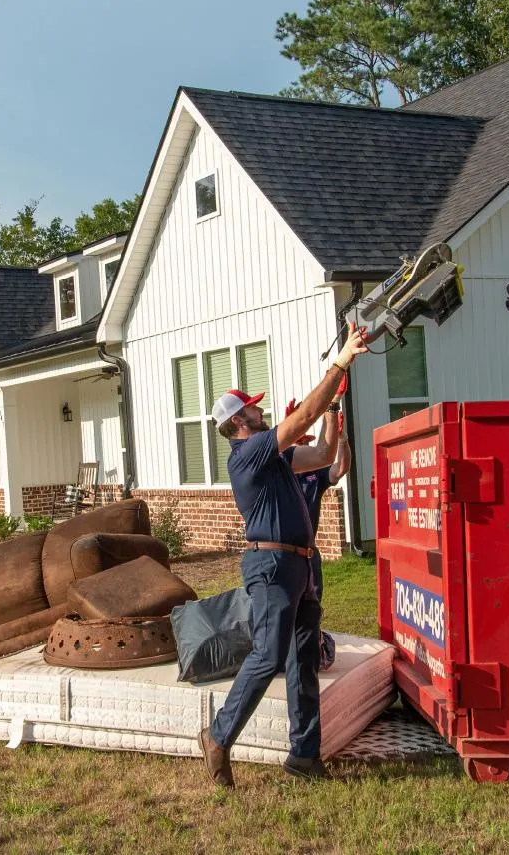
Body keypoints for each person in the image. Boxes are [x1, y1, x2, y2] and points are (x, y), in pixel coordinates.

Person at [197, 322, 367, 789]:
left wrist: (334, 405)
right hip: (270, 565)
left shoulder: (273, 457)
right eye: (252, 408)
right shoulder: (246, 454)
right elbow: (300, 421)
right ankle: (218, 735)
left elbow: (325, 451)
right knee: (269, 653)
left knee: (303, 657)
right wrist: (340, 362)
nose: (260, 410)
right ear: (237, 423)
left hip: (299, 564)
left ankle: (304, 755)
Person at [285, 373, 351, 603]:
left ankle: (314, 637)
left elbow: (339, 470)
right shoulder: (278, 471)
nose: (303, 447)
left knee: (312, 606)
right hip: (282, 552)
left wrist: (341, 440)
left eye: (305, 443)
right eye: (298, 442)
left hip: (309, 550)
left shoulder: (315, 474)